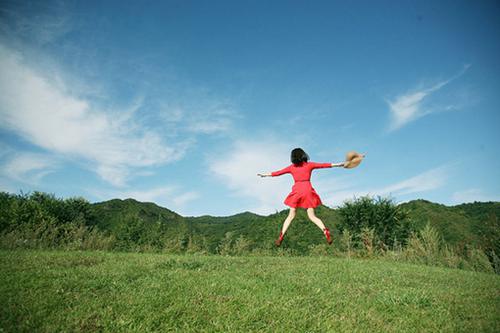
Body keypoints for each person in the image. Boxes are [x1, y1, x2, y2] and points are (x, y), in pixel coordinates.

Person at [258, 148, 346, 246]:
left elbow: (278, 173)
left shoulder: (292, 167)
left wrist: (265, 175)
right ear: (303, 155)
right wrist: (339, 164)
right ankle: (325, 231)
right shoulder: (309, 165)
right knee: (312, 216)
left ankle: (281, 235)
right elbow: (324, 165)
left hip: (297, 190)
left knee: (291, 216)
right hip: (308, 190)